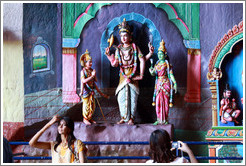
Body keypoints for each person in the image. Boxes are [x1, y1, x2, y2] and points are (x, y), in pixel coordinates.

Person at [105, 18, 154, 125]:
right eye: (121, 36)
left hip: (133, 75)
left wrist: (149, 55)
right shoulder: (118, 49)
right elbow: (115, 64)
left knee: (132, 97)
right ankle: (124, 117)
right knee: (121, 97)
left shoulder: (134, 48)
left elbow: (141, 59)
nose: (123, 38)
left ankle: (131, 118)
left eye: (125, 35)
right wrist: (109, 56)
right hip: (123, 77)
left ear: (130, 36)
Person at [149, 40, 177, 125]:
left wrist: (175, 83)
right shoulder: (156, 65)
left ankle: (165, 119)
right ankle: (159, 118)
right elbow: (154, 73)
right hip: (158, 84)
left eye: (161, 54)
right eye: (159, 54)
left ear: (165, 55)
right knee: (157, 102)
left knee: (165, 102)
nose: (160, 56)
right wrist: (151, 71)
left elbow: (171, 75)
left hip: (165, 84)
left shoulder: (167, 65)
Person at [79, 49, 109, 125]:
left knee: (92, 105)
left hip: (92, 90)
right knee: (86, 106)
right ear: (85, 63)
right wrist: (92, 76)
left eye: (91, 62)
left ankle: (90, 118)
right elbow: (83, 81)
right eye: (89, 62)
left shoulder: (91, 70)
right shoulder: (83, 71)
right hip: (86, 91)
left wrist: (94, 75)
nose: (91, 63)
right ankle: (85, 118)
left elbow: (95, 80)